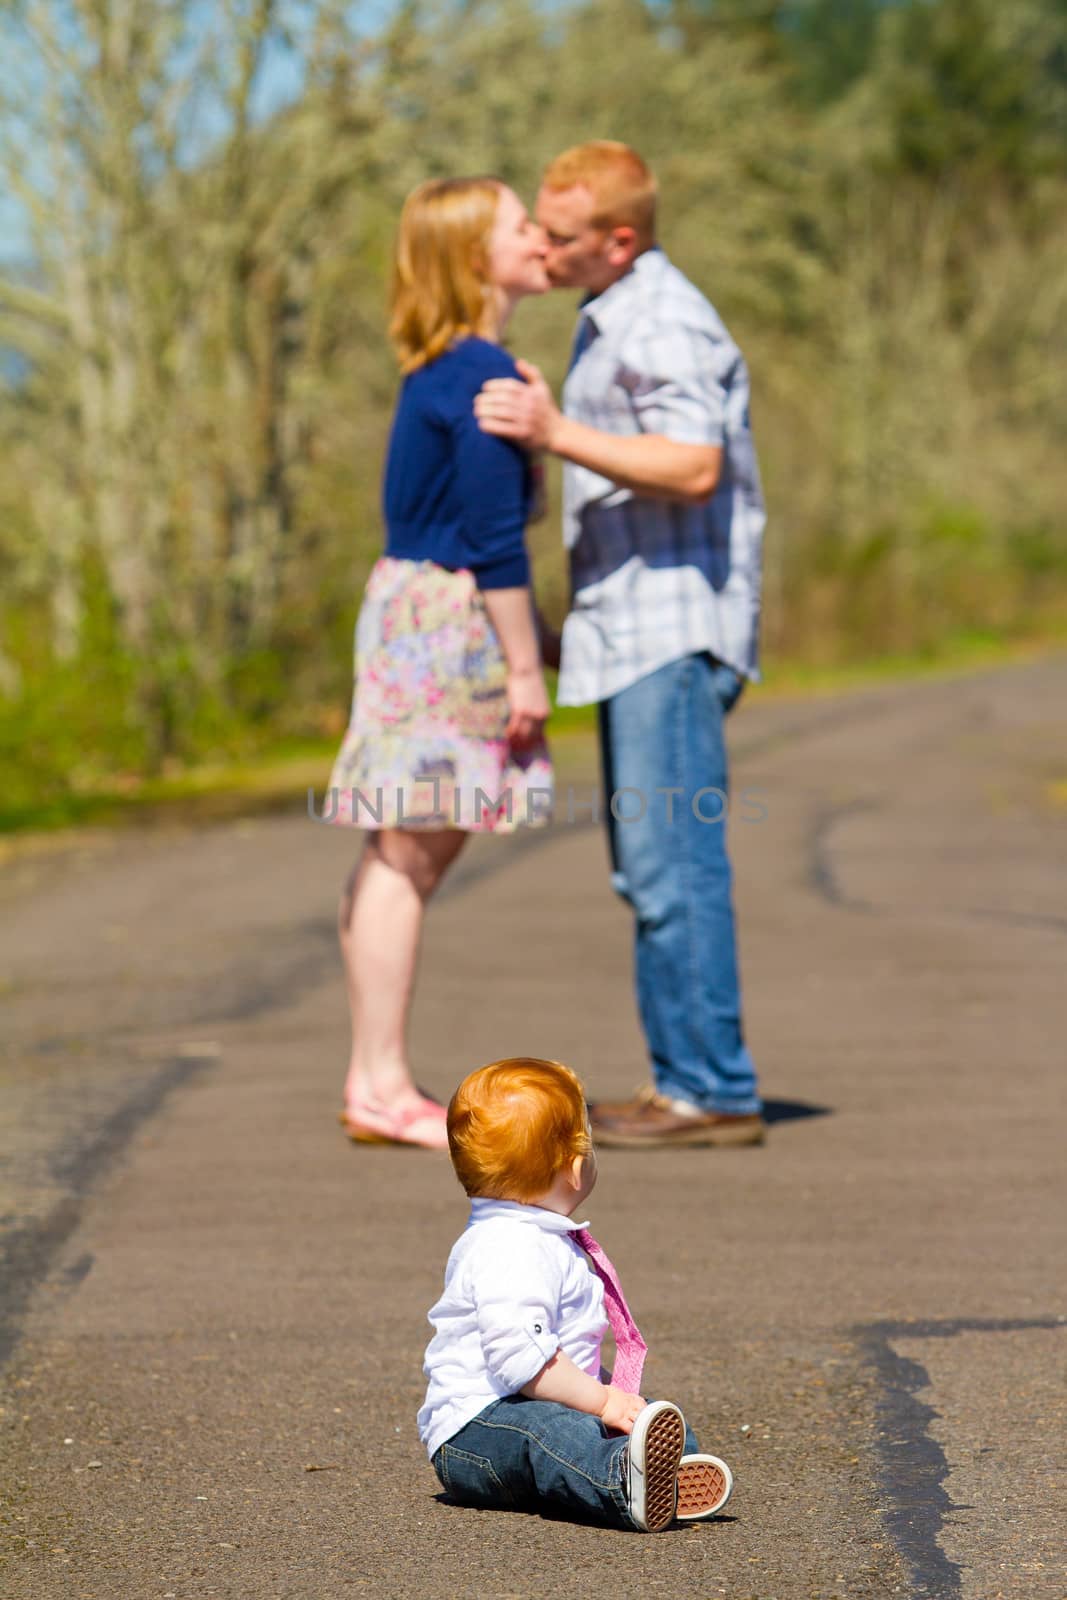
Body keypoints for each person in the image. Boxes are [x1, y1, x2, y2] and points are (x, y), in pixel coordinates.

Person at [474, 142, 766, 1150]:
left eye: (559, 238)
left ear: (619, 239)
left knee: (670, 865)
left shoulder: (662, 317)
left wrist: (551, 433)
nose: (544, 253)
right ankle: (681, 1078)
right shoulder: (615, 316)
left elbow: (690, 466)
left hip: (671, 632)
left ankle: (712, 1089)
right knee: (646, 869)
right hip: (630, 629)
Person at [326, 179, 554, 1150]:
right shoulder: (475, 376)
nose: (539, 236)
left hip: (415, 610)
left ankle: (374, 1077)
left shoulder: (458, 370)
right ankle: (378, 1083)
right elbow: (495, 538)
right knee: (407, 850)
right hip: (447, 618)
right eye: (519, 225)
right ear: (473, 258)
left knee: (404, 848)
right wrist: (523, 665)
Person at [419, 1057, 734, 1531]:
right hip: (475, 1434)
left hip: (523, 1406)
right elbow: (525, 1363)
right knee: (554, 1432)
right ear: (575, 1166)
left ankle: (670, 1471)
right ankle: (621, 1482)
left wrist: (617, 1402)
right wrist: (604, 1401)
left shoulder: (534, 1236)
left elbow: (564, 1354)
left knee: (637, 1415)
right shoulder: (513, 1248)